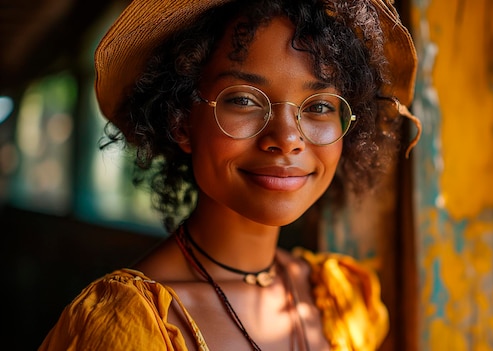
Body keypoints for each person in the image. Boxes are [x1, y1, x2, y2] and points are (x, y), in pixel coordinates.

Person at [39, 0, 421, 350]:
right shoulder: (132, 326)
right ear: (181, 121)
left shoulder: (340, 302)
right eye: (243, 100)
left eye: (319, 105)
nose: (287, 139)